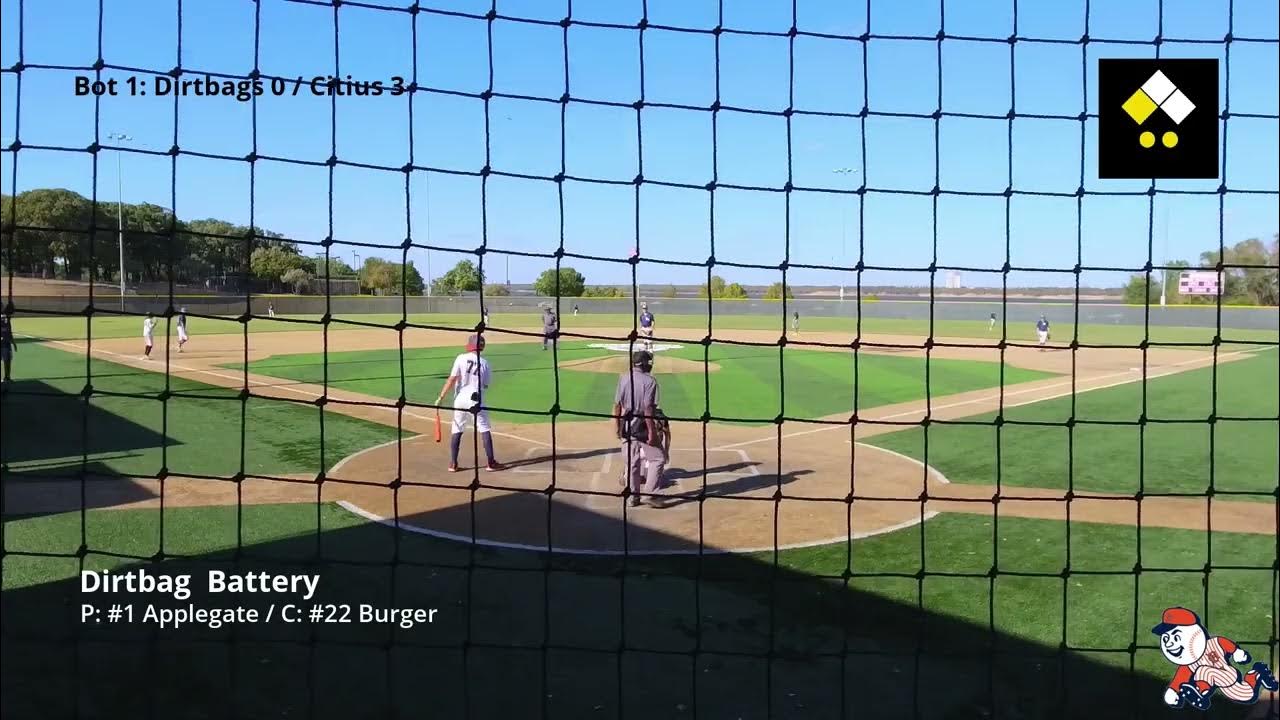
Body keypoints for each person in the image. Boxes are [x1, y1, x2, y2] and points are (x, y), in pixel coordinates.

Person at [436, 333, 504, 472]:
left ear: (470, 345)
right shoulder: (485, 363)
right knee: (484, 428)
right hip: (476, 400)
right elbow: (485, 385)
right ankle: (491, 463)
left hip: (460, 399)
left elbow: (452, 379)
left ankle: (453, 463)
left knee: (457, 429)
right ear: (482, 347)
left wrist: (441, 397)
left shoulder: (461, 358)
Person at [613, 350, 666, 508]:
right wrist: (652, 432)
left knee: (632, 462)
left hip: (626, 423)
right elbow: (648, 409)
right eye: (648, 362)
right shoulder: (650, 381)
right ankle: (650, 494)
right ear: (643, 364)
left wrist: (617, 426)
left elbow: (617, 405)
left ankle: (632, 498)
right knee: (658, 459)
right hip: (642, 424)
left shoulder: (623, 378)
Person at [1, 315, 15, 386]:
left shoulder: (7, 322)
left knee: (7, 361)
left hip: (6, 345)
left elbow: (10, 333)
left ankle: (7, 377)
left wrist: (13, 343)